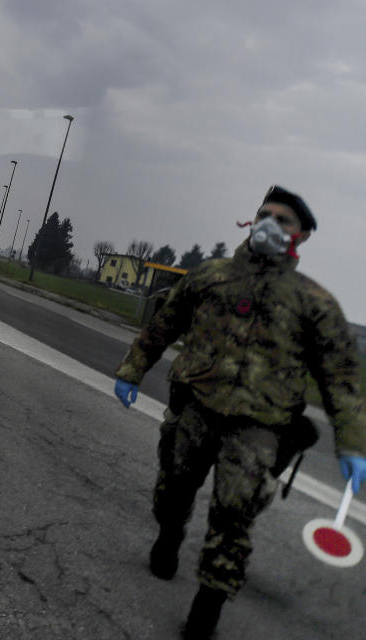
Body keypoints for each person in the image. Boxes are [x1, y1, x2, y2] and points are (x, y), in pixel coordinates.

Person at [113, 185, 366, 639]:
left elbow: (341, 378)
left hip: (259, 427)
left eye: (282, 219)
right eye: (262, 213)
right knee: (171, 491)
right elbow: (164, 323)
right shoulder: (210, 276)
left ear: (302, 235)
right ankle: (169, 536)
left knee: (233, 520)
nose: (268, 222)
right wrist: (132, 370)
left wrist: (353, 444)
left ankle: (205, 610)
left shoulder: (314, 303)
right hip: (195, 407)